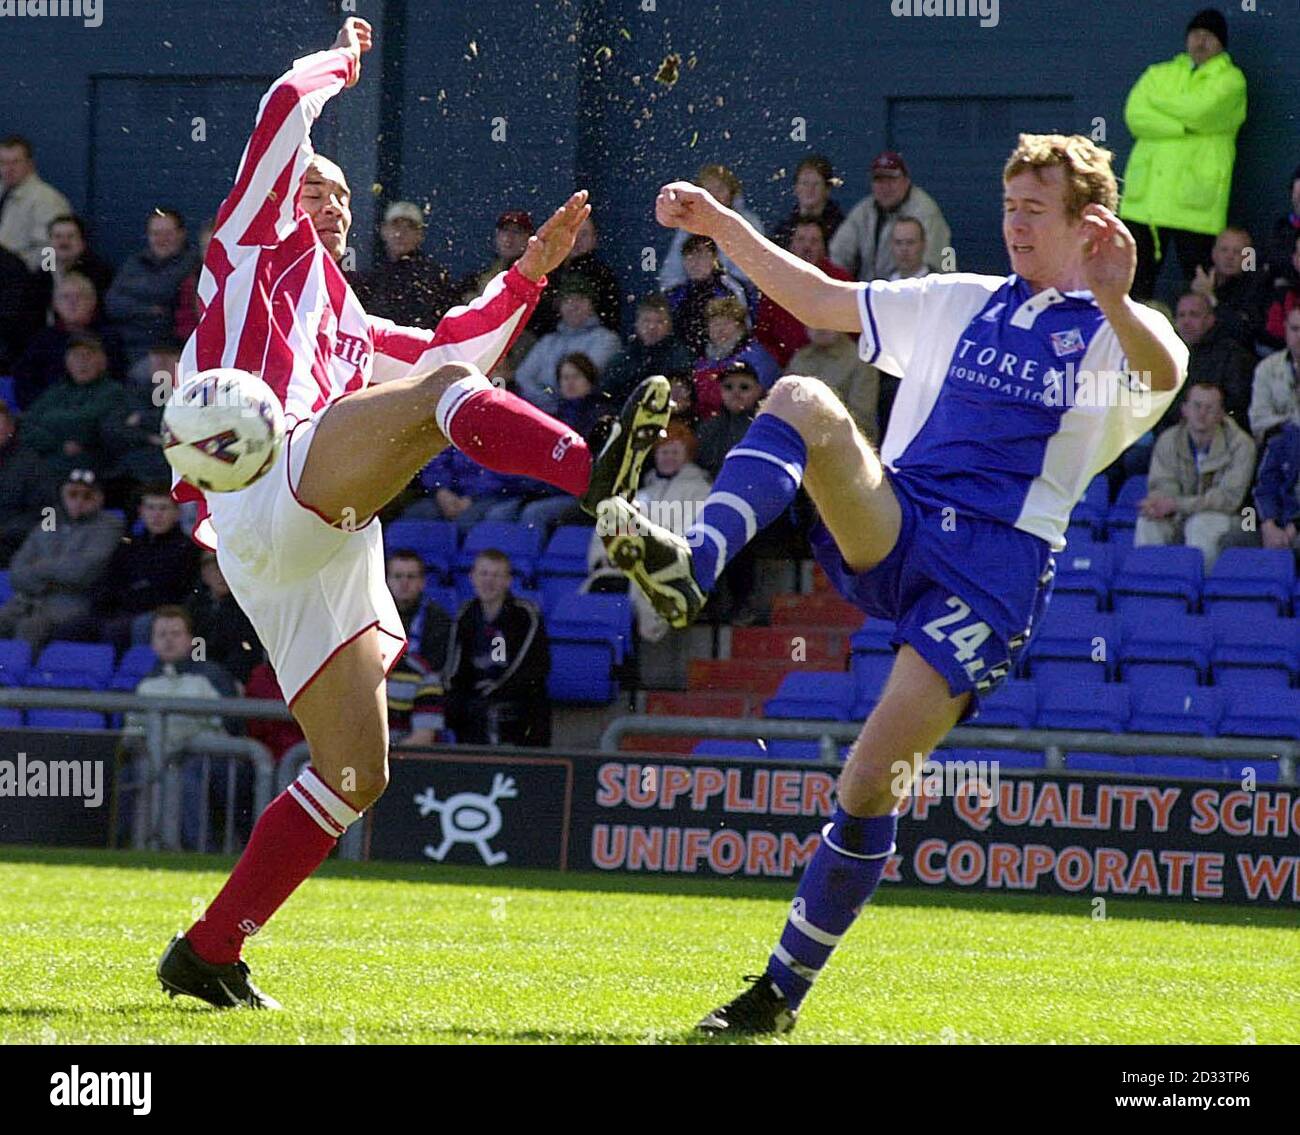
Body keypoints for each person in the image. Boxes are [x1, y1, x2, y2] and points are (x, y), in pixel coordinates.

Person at [601, 133, 1186, 1034]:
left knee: (870, 781)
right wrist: (722, 224)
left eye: (1036, 211)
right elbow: (821, 299)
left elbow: (1164, 373)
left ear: (1088, 224)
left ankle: (778, 994)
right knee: (799, 397)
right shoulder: (964, 300)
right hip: (903, 521)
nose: (1016, 225)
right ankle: (695, 563)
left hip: (992, 575)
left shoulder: (1115, 332)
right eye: (1010, 207)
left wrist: (1114, 292)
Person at [156, 18, 671, 1011]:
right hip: (263, 488)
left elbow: (456, 346)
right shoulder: (253, 242)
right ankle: (595, 474)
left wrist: (529, 274)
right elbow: (279, 113)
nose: (331, 201)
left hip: (307, 533)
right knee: (436, 399)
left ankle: (208, 950)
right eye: (317, 186)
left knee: (354, 771)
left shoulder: (348, 326)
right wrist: (346, 59)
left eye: (342, 193)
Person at [1119, 8, 1247, 301]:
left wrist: (1161, 107)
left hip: (1194, 206)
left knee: (1201, 289)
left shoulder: (1231, 80)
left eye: (1209, 36)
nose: (1201, 42)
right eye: (1196, 34)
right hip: (1146, 203)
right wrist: (1184, 127)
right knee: (1134, 288)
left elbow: (1201, 112)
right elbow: (1134, 115)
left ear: (1221, 43)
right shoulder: (1158, 73)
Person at [123, 606, 244, 852]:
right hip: (156, 756)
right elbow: (133, 730)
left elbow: (231, 724)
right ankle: (130, 846)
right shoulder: (145, 684)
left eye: (175, 634)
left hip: (207, 758)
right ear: (153, 643)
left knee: (187, 775)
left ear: (190, 640)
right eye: (162, 635)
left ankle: (198, 850)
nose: (168, 640)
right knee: (130, 773)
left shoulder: (212, 675)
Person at [588, 422, 713, 641]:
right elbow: (608, 526)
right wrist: (604, 557)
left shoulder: (700, 490)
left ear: (688, 455)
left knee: (644, 589)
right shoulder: (640, 492)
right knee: (600, 586)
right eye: (663, 451)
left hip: (668, 565)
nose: (668, 457)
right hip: (625, 566)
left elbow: (687, 534)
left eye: (675, 451)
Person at [0, 468, 123, 650]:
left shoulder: (108, 525)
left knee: (30, 627)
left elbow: (82, 572)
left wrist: (40, 568)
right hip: (26, 600)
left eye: (87, 496)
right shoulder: (50, 519)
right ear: (63, 494)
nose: (79, 501)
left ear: (99, 498)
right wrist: (52, 575)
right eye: (73, 494)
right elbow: (17, 570)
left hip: (71, 604)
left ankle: (13, 677)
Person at [1135, 381, 1253, 569]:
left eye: (1209, 408)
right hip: (1181, 514)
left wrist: (1176, 504)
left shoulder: (1241, 445)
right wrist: (1158, 504)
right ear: (1184, 410)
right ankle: (1150, 589)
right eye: (1196, 406)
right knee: (1148, 522)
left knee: (1200, 525)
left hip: (1242, 518)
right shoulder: (1168, 440)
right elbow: (1162, 485)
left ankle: (1197, 591)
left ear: (1221, 414)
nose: (1202, 413)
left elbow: (1228, 499)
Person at [443, 550, 551, 746]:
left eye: (496, 575)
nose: (489, 581)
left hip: (518, 695)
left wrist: (491, 691)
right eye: (484, 574)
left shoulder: (526, 614)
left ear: (508, 580)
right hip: (476, 696)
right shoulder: (465, 614)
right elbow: (454, 667)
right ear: (472, 577)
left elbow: (530, 667)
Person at [80, 487, 202, 651]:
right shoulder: (129, 545)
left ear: (177, 513)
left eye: (163, 508)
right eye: (151, 508)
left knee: (121, 630)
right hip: (121, 611)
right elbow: (110, 580)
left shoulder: (187, 549)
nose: (156, 515)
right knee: (74, 627)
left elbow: (179, 591)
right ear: (141, 511)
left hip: (161, 614)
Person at [105, 208, 201, 378]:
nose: (161, 240)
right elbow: (112, 303)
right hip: (126, 347)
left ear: (182, 234)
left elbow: (165, 291)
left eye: (168, 233)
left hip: (170, 351)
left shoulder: (192, 262)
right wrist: (149, 310)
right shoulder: (135, 262)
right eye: (156, 233)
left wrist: (135, 299)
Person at [829, 150, 952, 282]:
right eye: (879, 180)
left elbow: (935, 266)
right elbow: (838, 255)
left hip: (918, 288)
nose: (885, 187)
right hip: (873, 292)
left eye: (892, 180)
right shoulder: (864, 211)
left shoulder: (925, 212)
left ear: (906, 181)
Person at [21, 333, 129, 481]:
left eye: (87, 356)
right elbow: (26, 425)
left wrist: (47, 421)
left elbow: (86, 423)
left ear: (102, 361)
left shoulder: (113, 391)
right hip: (50, 458)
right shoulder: (57, 391)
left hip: (91, 464)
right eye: (75, 356)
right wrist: (59, 444)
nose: (81, 362)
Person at [754, 218, 852, 366]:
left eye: (814, 241)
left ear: (823, 247)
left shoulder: (840, 281)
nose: (807, 246)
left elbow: (855, 329)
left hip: (837, 366)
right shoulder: (774, 283)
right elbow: (764, 335)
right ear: (791, 245)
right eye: (801, 240)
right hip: (786, 367)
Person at [513, 276, 621, 411]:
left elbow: (583, 378)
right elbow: (522, 377)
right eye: (567, 300)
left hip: (583, 414)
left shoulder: (606, 339)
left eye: (580, 300)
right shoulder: (549, 341)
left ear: (592, 305)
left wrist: (560, 402)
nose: (573, 306)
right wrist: (549, 403)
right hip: (542, 412)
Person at [658, 162, 764, 291]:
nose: (714, 196)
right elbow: (672, 274)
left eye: (720, 189)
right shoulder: (688, 223)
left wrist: (718, 281)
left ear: (731, 191)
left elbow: (756, 271)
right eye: (708, 190)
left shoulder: (749, 221)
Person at [350, 201, 457, 329]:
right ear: (383, 230)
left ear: (420, 235)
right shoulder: (370, 278)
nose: (401, 233)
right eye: (396, 225)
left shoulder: (435, 279)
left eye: (410, 227)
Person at [785, 325, 881, 444]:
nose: (821, 327)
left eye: (826, 321)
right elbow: (785, 405)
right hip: (801, 438)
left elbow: (861, 418)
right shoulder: (800, 359)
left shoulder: (860, 361)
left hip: (847, 442)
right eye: (815, 321)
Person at [691, 296, 780, 420]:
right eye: (715, 324)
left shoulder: (757, 356)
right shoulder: (703, 362)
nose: (720, 329)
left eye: (727, 323)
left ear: (741, 326)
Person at [1172, 290, 1254, 424]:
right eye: (1181, 315)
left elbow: (1237, 403)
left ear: (1210, 320)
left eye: (1194, 315)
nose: (1186, 321)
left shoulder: (1230, 354)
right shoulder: (1169, 354)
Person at [665, 234, 751, 356]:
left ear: (714, 259)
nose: (695, 263)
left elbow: (746, 327)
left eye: (701, 256)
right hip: (685, 356)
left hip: (729, 355)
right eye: (689, 257)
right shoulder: (676, 293)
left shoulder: (731, 288)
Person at [534, 215, 622, 335]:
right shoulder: (549, 273)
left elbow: (609, 316)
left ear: (594, 239)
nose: (577, 239)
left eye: (584, 234)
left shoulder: (601, 275)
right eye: (573, 233)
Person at [601, 294, 695, 404]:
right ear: (637, 324)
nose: (652, 327)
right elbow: (605, 396)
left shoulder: (679, 358)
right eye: (646, 321)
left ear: (669, 326)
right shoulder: (623, 359)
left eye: (659, 322)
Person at [187, 551, 264, 686]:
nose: (221, 576)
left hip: (238, 676)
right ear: (204, 574)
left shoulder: (249, 606)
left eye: (226, 568)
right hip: (200, 674)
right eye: (215, 570)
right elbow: (196, 641)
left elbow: (249, 649)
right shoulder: (195, 606)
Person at [1189, 226, 1268, 349]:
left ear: (1248, 257)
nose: (1229, 257)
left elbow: (1243, 333)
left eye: (1237, 252)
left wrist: (1210, 298)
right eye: (1224, 250)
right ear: (1214, 254)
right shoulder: (1200, 281)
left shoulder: (1256, 287)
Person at [0, 135, 71, 271]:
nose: (8, 169)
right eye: (3, 162)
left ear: (30, 164)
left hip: (21, 279)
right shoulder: (3, 191)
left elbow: (50, 252)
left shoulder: (47, 200)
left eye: (15, 162)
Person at [0, 398, 53, 567]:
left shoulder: (31, 465)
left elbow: (49, 515)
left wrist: (5, 529)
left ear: (10, 428)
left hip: (15, 545)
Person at [385, 549, 453, 667]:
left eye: (411, 577)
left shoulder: (438, 619)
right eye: (397, 576)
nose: (404, 583)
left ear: (422, 582)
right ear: (387, 580)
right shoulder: (374, 616)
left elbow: (438, 665)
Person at [769, 155, 846, 253]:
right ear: (796, 188)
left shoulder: (841, 230)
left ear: (827, 189)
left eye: (816, 184)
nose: (810, 189)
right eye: (805, 183)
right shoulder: (784, 231)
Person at [1247, 307, 1300, 443]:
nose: (1299, 336)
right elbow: (1258, 421)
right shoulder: (1266, 368)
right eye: (1295, 329)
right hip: (1281, 447)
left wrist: (1281, 420)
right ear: (1286, 329)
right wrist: (1292, 424)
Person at [44, 213, 115, 300]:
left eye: (70, 236)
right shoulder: (43, 274)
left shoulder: (99, 274)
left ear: (82, 242)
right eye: (57, 236)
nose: (63, 242)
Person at [888, 217, 931, 282]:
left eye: (910, 242)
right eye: (898, 242)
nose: (904, 249)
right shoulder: (885, 284)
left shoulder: (936, 285)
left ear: (923, 245)